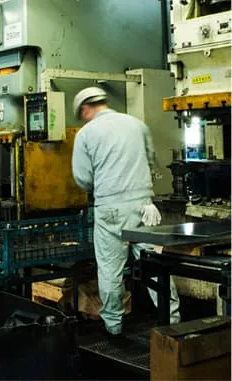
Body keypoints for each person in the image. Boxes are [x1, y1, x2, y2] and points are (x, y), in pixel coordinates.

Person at [71, 86, 180, 337]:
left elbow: (83, 178)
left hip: (110, 209)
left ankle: (114, 326)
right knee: (155, 265)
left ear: (85, 109)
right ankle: (173, 321)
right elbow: (150, 159)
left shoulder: (86, 133)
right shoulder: (136, 124)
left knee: (111, 270)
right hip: (144, 207)